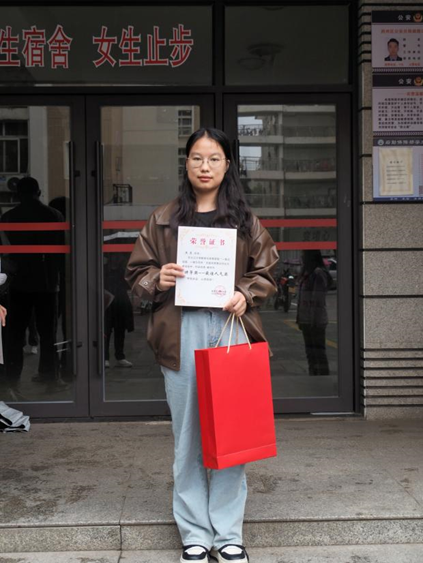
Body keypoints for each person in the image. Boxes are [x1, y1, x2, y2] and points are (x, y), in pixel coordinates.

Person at [126, 128, 279, 563]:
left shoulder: (245, 221)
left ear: (228, 165)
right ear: (187, 163)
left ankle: (228, 534)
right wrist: (159, 278)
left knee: (232, 432)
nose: (205, 166)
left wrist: (245, 293)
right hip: (182, 328)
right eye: (197, 158)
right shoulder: (162, 219)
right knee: (187, 435)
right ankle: (195, 533)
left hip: (230, 326)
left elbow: (266, 271)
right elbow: (135, 277)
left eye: (214, 158)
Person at [1, 176, 63, 384]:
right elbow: (60, 252)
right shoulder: (54, 215)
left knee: (15, 333)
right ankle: (49, 374)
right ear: (39, 193)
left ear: (18, 194)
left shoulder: (8, 218)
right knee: (48, 333)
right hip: (47, 282)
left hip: (19, 283)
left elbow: (5, 254)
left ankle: (12, 376)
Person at [296, 250, 332, 376]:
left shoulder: (318, 274)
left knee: (318, 351)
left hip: (315, 321)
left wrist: (313, 321)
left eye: (304, 255)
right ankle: (314, 374)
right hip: (306, 320)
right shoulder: (307, 274)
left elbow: (317, 300)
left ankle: (322, 375)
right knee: (310, 351)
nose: (302, 258)